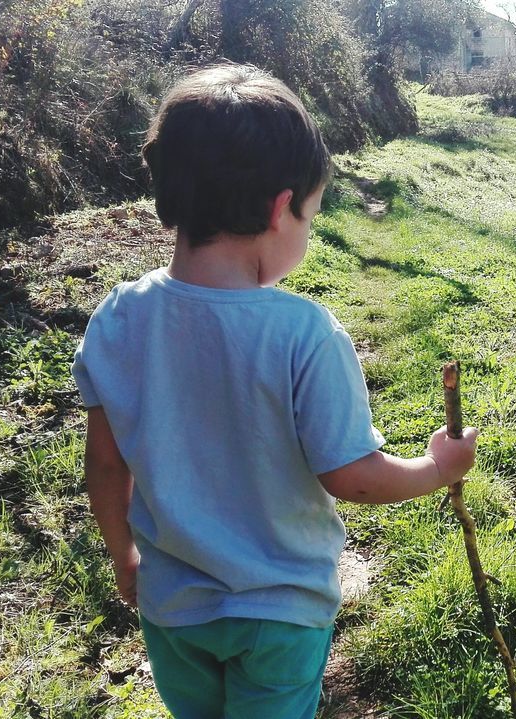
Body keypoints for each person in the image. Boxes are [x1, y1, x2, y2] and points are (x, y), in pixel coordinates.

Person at [72, 64, 478, 719]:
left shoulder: (119, 318)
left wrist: (123, 551)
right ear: (277, 208)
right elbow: (352, 475)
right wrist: (437, 466)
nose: (309, 232)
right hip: (280, 614)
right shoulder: (305, 334)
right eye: (311, 216)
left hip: (172, 607)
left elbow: (105, 463)